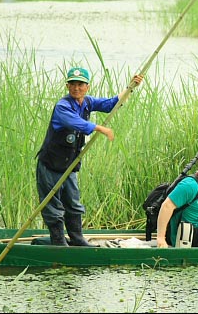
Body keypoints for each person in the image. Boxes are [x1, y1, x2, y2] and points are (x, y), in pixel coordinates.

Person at [36, 67, 143, 246]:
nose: (76, 88)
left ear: (87, 86)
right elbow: (75, 122)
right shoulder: (63, 106)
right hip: (50, 165)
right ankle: (58, 241)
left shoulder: (87, 102)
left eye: (80, 84)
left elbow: (111, 104)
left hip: (68, 166)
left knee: (73, 203)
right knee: (53, 207)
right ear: (67, 86)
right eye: (72, 84)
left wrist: (130, 87)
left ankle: (77, 238)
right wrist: (100, 128)